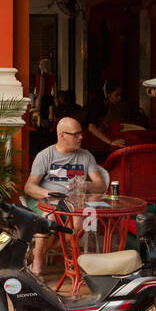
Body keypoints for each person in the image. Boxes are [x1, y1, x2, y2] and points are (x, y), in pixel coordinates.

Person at [24, 118, 110, 278]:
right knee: (49, 218)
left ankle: (38, 252)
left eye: (80, 133)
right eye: (76, 134)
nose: (81, 137)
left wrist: (85, 185)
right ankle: (38, 264)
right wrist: (49, 194)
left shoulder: (86, 156)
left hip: (76, 205)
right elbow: (29, 187)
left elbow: (101, 185)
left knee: (72, 230)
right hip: (50, 204)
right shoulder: (45, 156)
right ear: (62, 135)